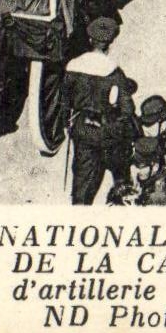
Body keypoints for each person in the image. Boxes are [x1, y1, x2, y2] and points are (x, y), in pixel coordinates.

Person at [63, 16, 137, 205]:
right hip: (109, 132)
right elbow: (127, 109)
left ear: (90, 40)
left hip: (83, 129)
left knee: (82, 184)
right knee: (121, 175)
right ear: (110, 43)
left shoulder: (73, 67)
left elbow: (64, 100)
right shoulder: (113, 72)